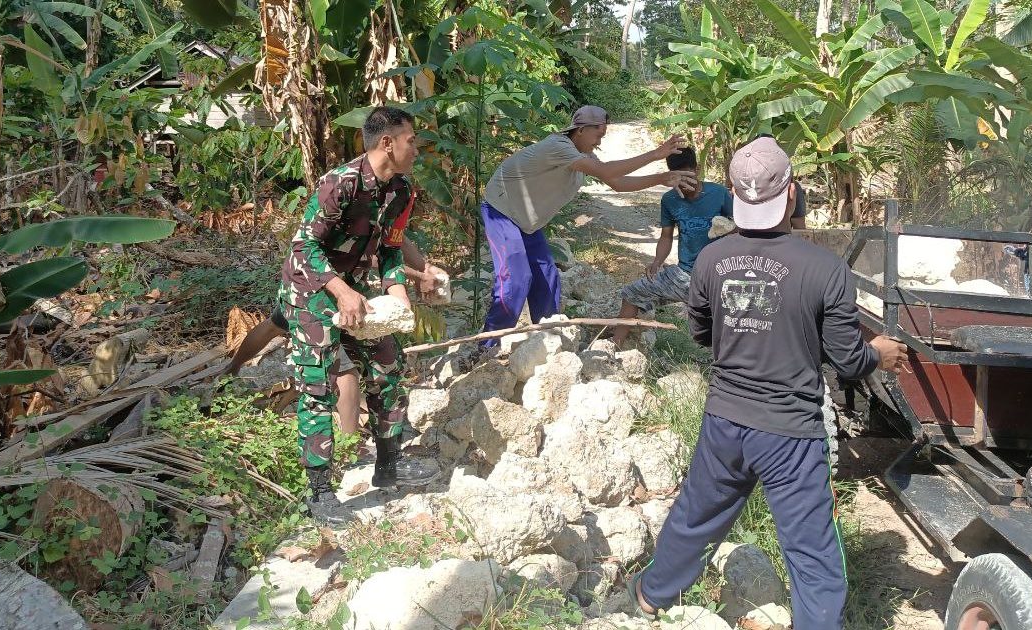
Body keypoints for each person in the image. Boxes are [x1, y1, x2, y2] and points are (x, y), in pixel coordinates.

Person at [629, 137, 907, 629]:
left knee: (696, 513)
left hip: (725, 420)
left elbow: (703, 333)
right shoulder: (826, 269)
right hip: (790, 433)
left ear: (734, 193)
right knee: (812, 548)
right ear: (792, 194)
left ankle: (652, 596)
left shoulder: (711, 259)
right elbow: (848, 362)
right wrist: (880, 355)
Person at [278, 106, 439, 525]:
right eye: (411, 141)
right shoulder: (341, 183)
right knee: (319, 386)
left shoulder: (400, 190)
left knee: (388, 366)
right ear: (387, 143)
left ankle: (389, 467)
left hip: (354, 291)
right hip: (311, 291)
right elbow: (303, 247)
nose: (416, 149)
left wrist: (397, 295)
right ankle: (319, 493)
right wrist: (342, 292)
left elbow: (390, 249)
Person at [478, 105, 696, 350]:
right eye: (598, 135)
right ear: (580, 130)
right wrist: (655, 154)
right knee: (516, 280)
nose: (599, 142)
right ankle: (486, 347)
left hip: (526, 221)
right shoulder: (558, 146)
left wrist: (660, 178)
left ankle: (547, 342)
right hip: (502, 210)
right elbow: (607, 171)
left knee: (547, 279)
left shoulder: (583, 156)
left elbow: (616, 183)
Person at [225, 238, 445, 461]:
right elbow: (375, 257)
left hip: (321, 281)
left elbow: (395, 241)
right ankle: (350, 448)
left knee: (275, 324)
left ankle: (231, 369)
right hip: (319, 287)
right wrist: (419, 275)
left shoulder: (378, 220)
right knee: (344, 369)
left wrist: (425, 268)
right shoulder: (352, 222)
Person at [611, 146, 729, 348]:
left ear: (697, 169)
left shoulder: (719, 194)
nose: (684, 185)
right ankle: (615, 348)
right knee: (632, 293)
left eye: (688, 177)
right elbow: (666, 236)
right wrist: (657, 262)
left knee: (728, 322)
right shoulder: (669, 200)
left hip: (718, 276)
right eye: (678, 179)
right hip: (684, 275)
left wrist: (728, 228)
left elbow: (741, 228)